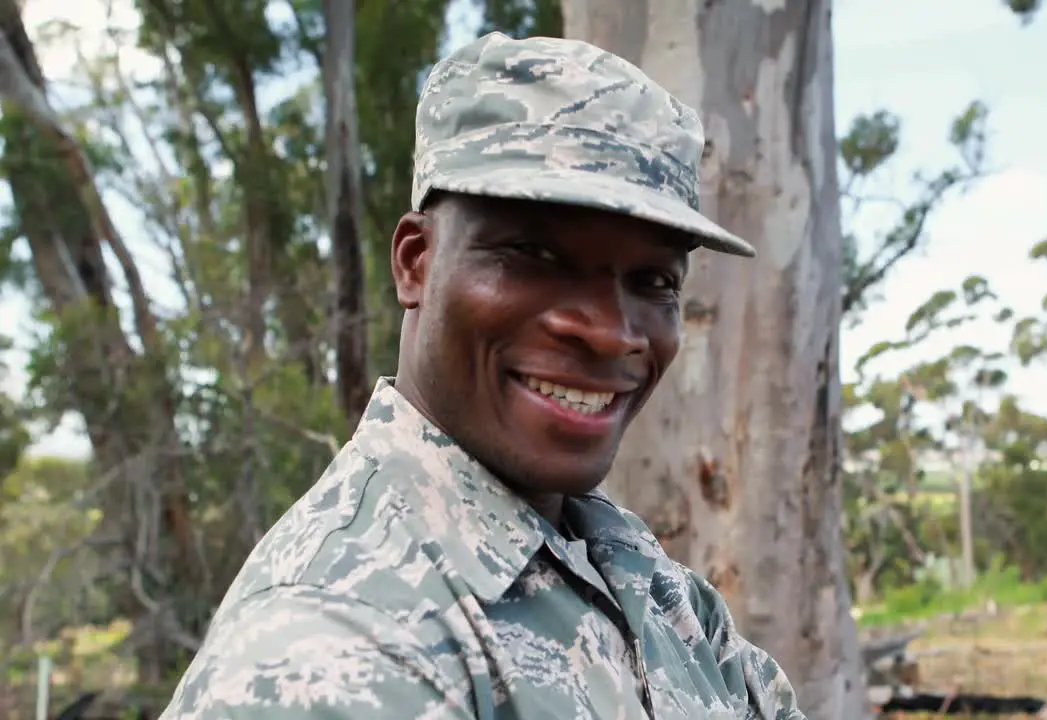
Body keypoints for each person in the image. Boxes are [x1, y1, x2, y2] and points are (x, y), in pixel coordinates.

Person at [158, 31, 805, 720]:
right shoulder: (331, 649)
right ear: (415, 262)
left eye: (653, 280)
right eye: (534, 253)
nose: (611, 330)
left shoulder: (643, 581)